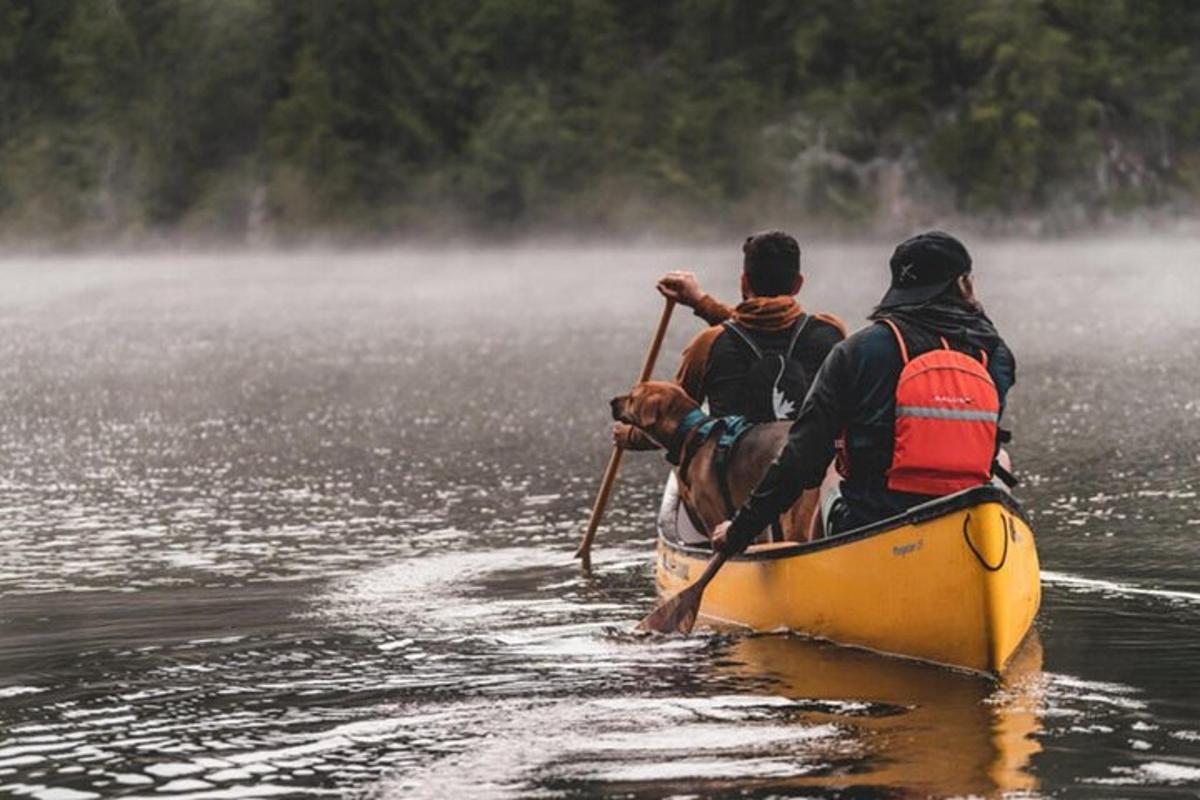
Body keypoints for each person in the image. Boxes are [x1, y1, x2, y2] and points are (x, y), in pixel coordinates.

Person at [712, 230, 1017, 554]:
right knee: (1001, 458)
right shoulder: (995, 355)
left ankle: (816, 576)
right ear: (963, 285)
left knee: (830, 471)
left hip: (873, 528)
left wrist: (740, 531)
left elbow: (800, 462)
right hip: (965, 525)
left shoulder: (856, 352)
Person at [612, 231, 846, 452]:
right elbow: (767, 323)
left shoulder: (709, 343)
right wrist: (701, 303)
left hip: (732, 485)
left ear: (744, 282)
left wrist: (630, 435)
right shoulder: (830, 333)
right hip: (809, 475)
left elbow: (672, 421)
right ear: (798, 284)